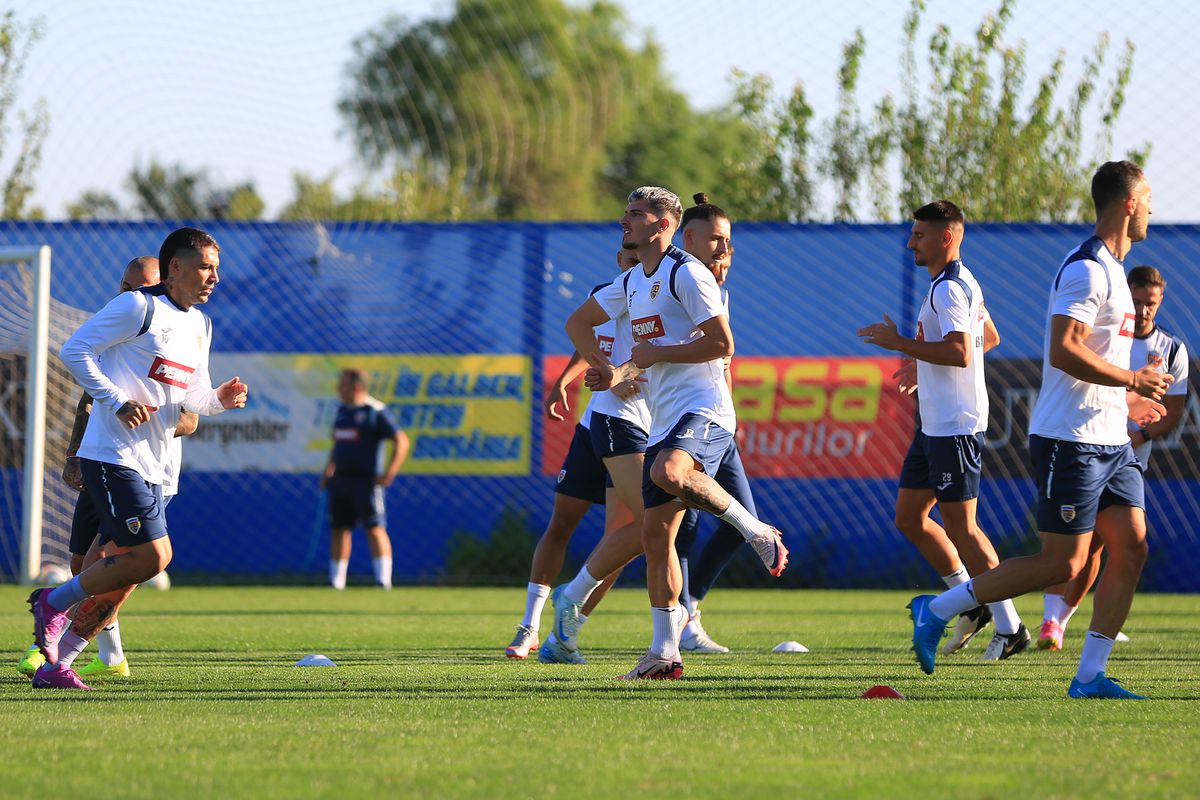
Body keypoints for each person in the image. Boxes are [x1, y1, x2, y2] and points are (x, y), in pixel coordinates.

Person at [907, 161, 1171, 699]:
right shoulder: (1087, 269)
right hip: (1070, 439)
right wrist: (1132, 376)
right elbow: (1063, 349)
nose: (1151, 209)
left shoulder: (1119, 273)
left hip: (1111, 438)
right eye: (1147, 199)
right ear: (1127, 204)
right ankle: (937, 609)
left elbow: (1093, 355)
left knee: (1133, 545)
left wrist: (1128, 395)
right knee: (1062, 562)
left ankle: (1090, 674)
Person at [566, 186, 788, 680]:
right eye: (626, 212)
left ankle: (757, 531)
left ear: (664, 225)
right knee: (656, 535)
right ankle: (665, 653)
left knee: (669, 472)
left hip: (705, 408)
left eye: (637, 214)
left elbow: (722, 342)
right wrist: (611, 369)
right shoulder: (632, 281)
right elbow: (578, 321)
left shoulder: (686, 273)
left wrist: (657, 352)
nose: (626, 220)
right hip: (664, 418)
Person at [30, 227, 248, 690]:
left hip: (158, 467)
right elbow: (74, 350)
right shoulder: (138, 306)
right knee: (153, 556)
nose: (214, 277)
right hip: (113, 455)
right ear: (176, 269)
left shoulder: (200, 324)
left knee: (117, 577)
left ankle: (57, 664)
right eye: (206, 267)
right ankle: (51, 602)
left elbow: (192, 397)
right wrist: (116, 400)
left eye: (217, 269)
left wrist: (219, 400)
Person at [858, 200, 1029, 661]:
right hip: (935, 421)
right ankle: (971, 605)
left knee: (963, 528)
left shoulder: (950, 289)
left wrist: (901, 345)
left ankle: (1010, 626)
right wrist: (919, 362)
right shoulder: (958, 282)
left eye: (918, 235)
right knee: (910, 517)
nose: (910, 242)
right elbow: (987, 338)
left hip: (954, 424)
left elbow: (960, 353)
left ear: (945, 238)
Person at [16, 257, 200, 680]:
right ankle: (110, 655)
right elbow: (89, 402)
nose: (132, 294)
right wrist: (73, 454)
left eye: (144, 287)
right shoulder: (116, 336)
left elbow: (190, 417)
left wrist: (149, 418)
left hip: (149, 472)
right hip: (106, 463)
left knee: (124, 566)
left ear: (167, 286)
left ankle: (53, 657)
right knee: (86, 566)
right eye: (125, 285)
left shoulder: (179, 335)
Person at [1038, 264, 1189, 649]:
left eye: (1150, 303)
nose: (1143, 311)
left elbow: (1171, 413)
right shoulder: (1107, 340)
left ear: (1160, 301)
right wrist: (1128, 398)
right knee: (1072, 545)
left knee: (1106, 546)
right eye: (1137, 301)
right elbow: (1083, 382)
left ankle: (1060, 623)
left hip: (1128, 458)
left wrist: (1135, 435)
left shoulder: (1171, 349)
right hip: (1087, 446)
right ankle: (1045, 619)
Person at [320, 368, 410, 590]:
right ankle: (337, 582)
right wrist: (329, 469)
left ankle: (383, 580)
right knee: (339, 529)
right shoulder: (342, 411)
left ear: (356, 386)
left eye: (343, 384)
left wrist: (389, 472)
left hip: (366, 481)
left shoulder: (375, 411)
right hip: (341, 480)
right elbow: (338, 445)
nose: (338, 389)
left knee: (374, 527)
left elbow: (401, 441)